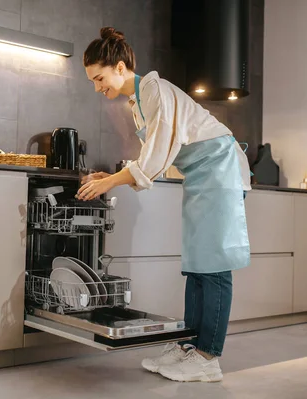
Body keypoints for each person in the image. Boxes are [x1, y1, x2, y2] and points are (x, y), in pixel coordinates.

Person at [77, 27, 251, 383]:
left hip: (220, 170)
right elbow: (154, 155)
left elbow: (154, 158)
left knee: (214, 267)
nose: (98, 87)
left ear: (120, 67)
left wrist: (110, 181)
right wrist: (113, 176)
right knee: (197, 265)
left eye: (99, 78)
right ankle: (189, 345)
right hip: (203, 176)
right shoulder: (138, 100)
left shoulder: (154, 89)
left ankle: (208, 357)